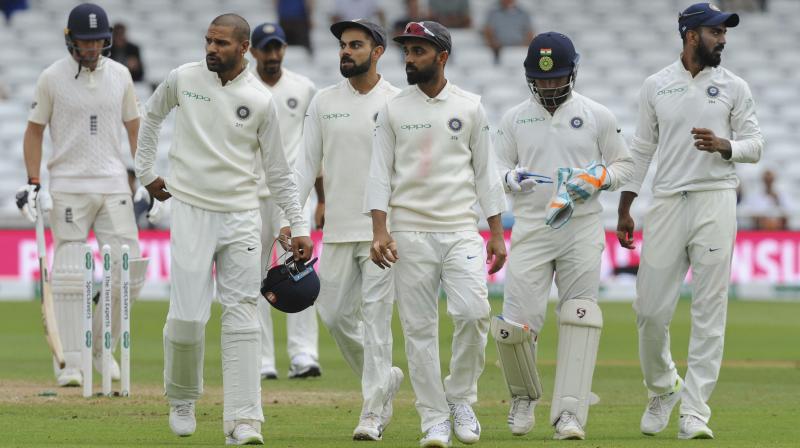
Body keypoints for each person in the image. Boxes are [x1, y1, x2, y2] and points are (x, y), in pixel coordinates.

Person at [135, 13, 313, 445]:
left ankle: (244, 419)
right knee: (188, 318)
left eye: (221, 43)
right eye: (208, 41)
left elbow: (280, 172)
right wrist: (145, 173)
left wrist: (299, 223)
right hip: (191, 210)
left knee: (242, 318)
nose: (211, 49)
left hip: (241, 215)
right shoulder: (184, 78)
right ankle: (181, 397)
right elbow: (151, 116)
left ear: (243, 48)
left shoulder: (260, 100)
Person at [616, 3, 763, 440]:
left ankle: (695, 411)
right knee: (649, 311)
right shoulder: (656, 86)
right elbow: (641, 150)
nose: (723, 38)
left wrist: (725, 146)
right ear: (690, 34)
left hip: (716, 200)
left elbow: (755, 144)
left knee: (709, 311)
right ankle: (663, 388)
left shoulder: (734, 87)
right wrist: (626, 206)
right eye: (715, 31)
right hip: (665, 203)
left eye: (724, 31)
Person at [366, 21, 507, 447]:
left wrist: (496, 233)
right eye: (406, 51)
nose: (408, 59)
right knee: (418, 329)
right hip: (408, 231)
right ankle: (433, 418)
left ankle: (460, 398)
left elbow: (487, 173)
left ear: (442, 57)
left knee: (472, 313)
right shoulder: (392, 108)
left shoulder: (471, 107)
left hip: (461, 228)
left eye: (418, 52)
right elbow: (379, 174)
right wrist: (379, 230)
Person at [493, 32, 634, 440]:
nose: (549, 86)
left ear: (573, 73)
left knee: (579, 315)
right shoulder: (515, 118)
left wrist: (600, 177)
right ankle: (523, 399)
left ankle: (569, 413)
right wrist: (509, 177)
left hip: (582, 225)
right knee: (517, 325)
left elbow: (625, 164)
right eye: (541, 78)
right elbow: (492, 169)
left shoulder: (596, 115)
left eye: (557, 79)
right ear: (529, 77)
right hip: (532, 226)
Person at [281, 19, 403, 441]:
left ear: (378, 51)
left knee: (376, 321)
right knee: (332, 316)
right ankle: (384, 380)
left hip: (381, 233)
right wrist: (290, 217)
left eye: (355, 45)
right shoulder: (323, 101)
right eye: (342, 46)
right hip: (336, 230)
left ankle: (371, 412)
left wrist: (390, 226)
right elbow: (303, 165)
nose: (345, 52)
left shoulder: (398, 102)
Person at [16, 2, 146, 388]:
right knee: (72, 275)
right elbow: (34, 131)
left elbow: (136, 127)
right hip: (69, 185)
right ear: (71, 40)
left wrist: (146, 177)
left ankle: (100, 348)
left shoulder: (121, 74)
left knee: (131, 268)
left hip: (113, 185)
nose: (91, 50)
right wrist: (33, 181)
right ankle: (71, 362)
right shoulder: (51, 78)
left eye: (97, 42)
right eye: (84, 42)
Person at [249, 22, 322, 381]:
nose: (273, 55)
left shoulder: (303, 88)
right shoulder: (243, 87)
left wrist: (321, 199)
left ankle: (304, 355)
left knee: (300, 270)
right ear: (253, 52)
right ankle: (262, 359)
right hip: (250, 194)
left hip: (292, 196)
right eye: (266, 48)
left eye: (277, 47)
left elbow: (314, 150)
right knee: (256, 276)